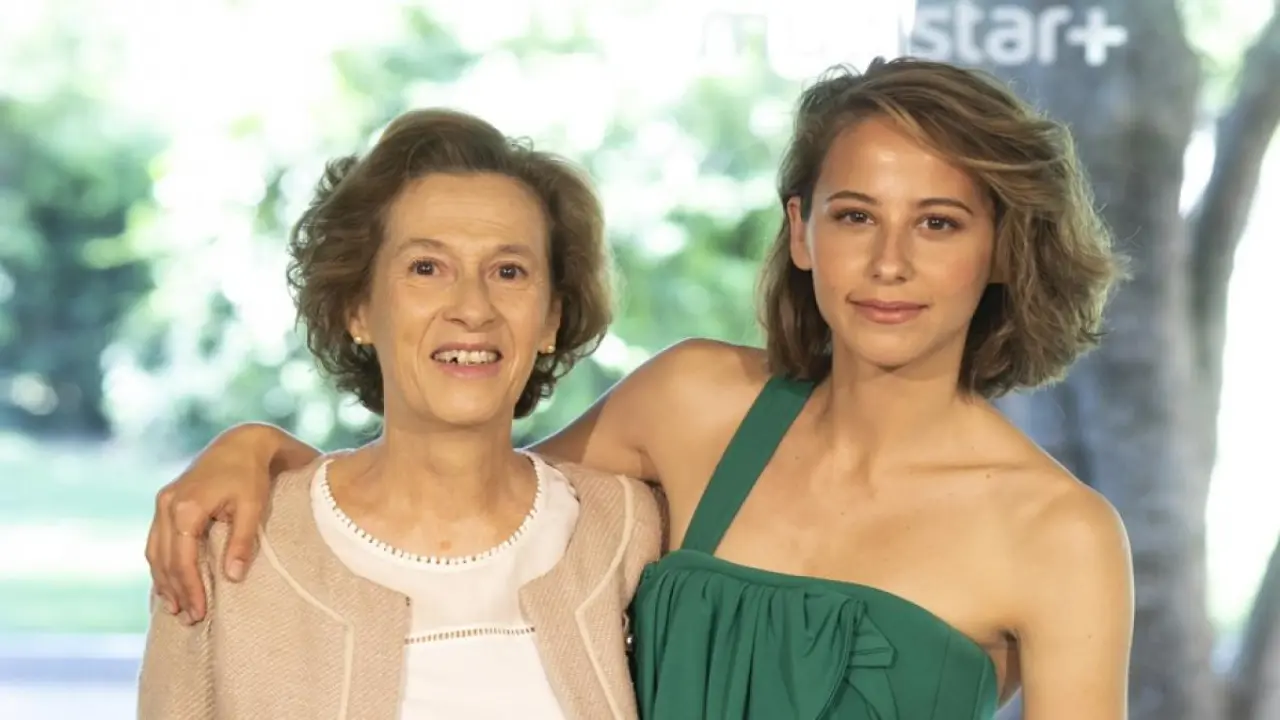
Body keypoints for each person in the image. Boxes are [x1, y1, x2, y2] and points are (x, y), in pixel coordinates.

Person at [146, 57, 1134, 719]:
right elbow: (456, 504)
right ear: (800, 232)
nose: (888, 264)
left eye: (938, 223)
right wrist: (263, 454)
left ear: (1002, 247)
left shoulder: (1060, 536)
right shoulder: (695, 405)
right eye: (853, 216)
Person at [136, 108, 661, 720]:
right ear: (358, 308)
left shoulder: (630, 533)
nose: (473, 308)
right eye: (426, 268)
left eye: (509, 271)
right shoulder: (228, 550)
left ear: (551, 319)